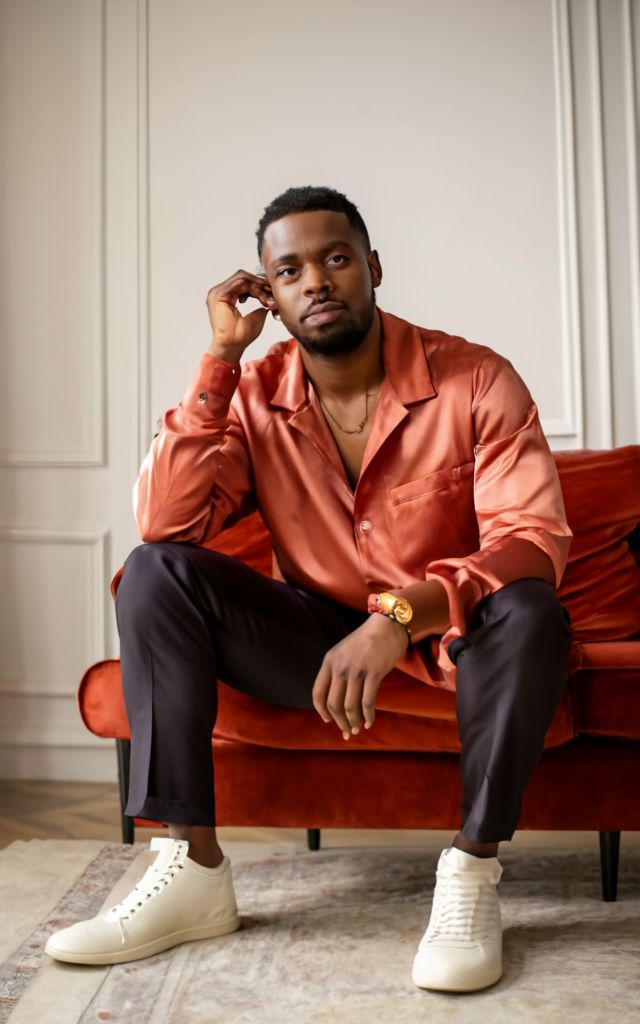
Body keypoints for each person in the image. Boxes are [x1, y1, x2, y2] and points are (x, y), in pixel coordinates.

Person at [46, 186, 573, 991]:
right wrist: (220, 361)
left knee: (533, 609)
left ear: (373, 268)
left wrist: (399, 615)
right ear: (271, 296)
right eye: (289, 271)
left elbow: (532, 541)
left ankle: (471, 870)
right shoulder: (254, 396)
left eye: (335, 259)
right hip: (316, 646)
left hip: (454, 638)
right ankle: (191, 863)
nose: (316, 281)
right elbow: (167, 521)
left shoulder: (475, 378)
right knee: (156, 571)